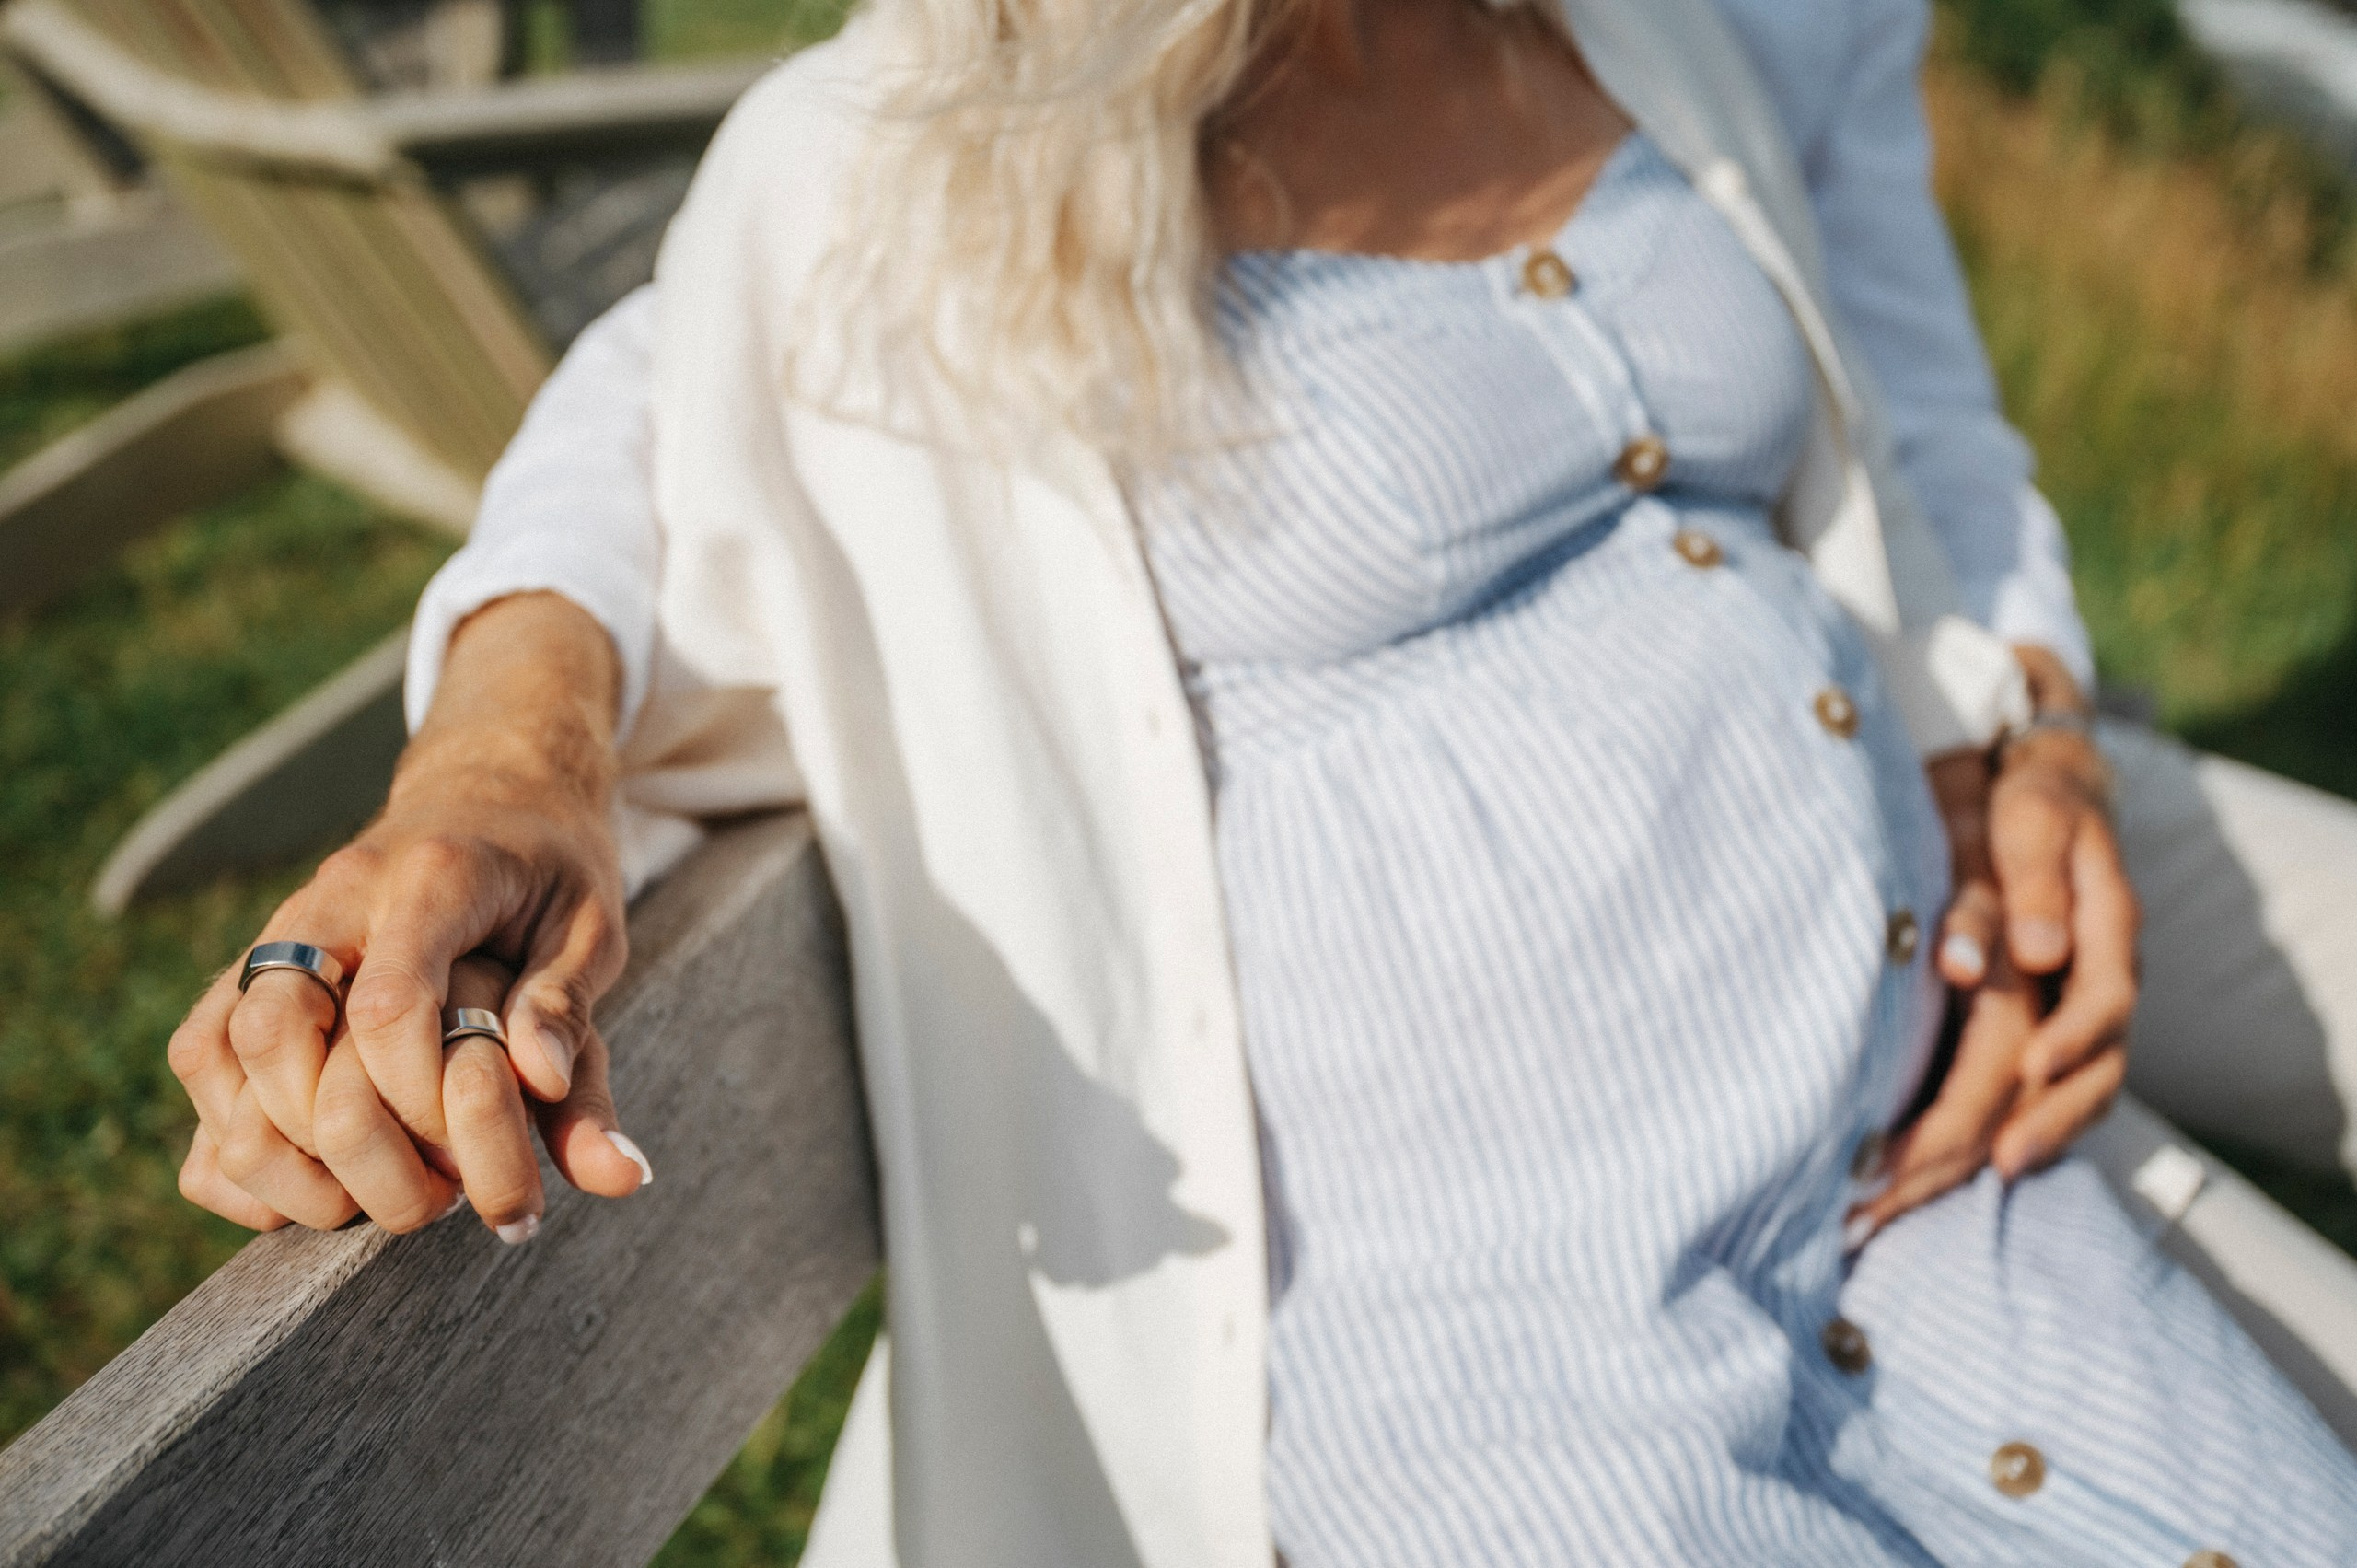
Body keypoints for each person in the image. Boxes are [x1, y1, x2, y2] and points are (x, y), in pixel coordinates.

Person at [164, 0, 2357, 1561]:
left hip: (1941, 1182)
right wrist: (505, 746)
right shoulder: (932, 137)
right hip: (1520, 1364)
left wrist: (2021, 716)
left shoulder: (1666, 34)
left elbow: (1913, 385)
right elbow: (684, 360)